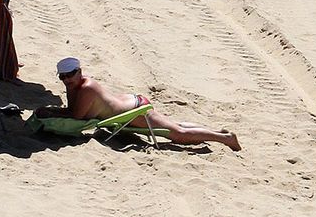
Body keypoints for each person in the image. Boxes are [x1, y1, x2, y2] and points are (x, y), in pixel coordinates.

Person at [35, 57, 240, 151]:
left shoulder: (87, 87)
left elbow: (77, 117)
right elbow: (73, 111)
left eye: (70, 74)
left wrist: (51, 113)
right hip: (130, 104)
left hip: (135, 112)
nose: (66, 79)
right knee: (175, 126)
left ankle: (225, 138)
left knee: (178, 135)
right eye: (62, 77)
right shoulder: (75, 85)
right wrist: (54, 111)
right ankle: (217, 132)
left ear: (80, 71)